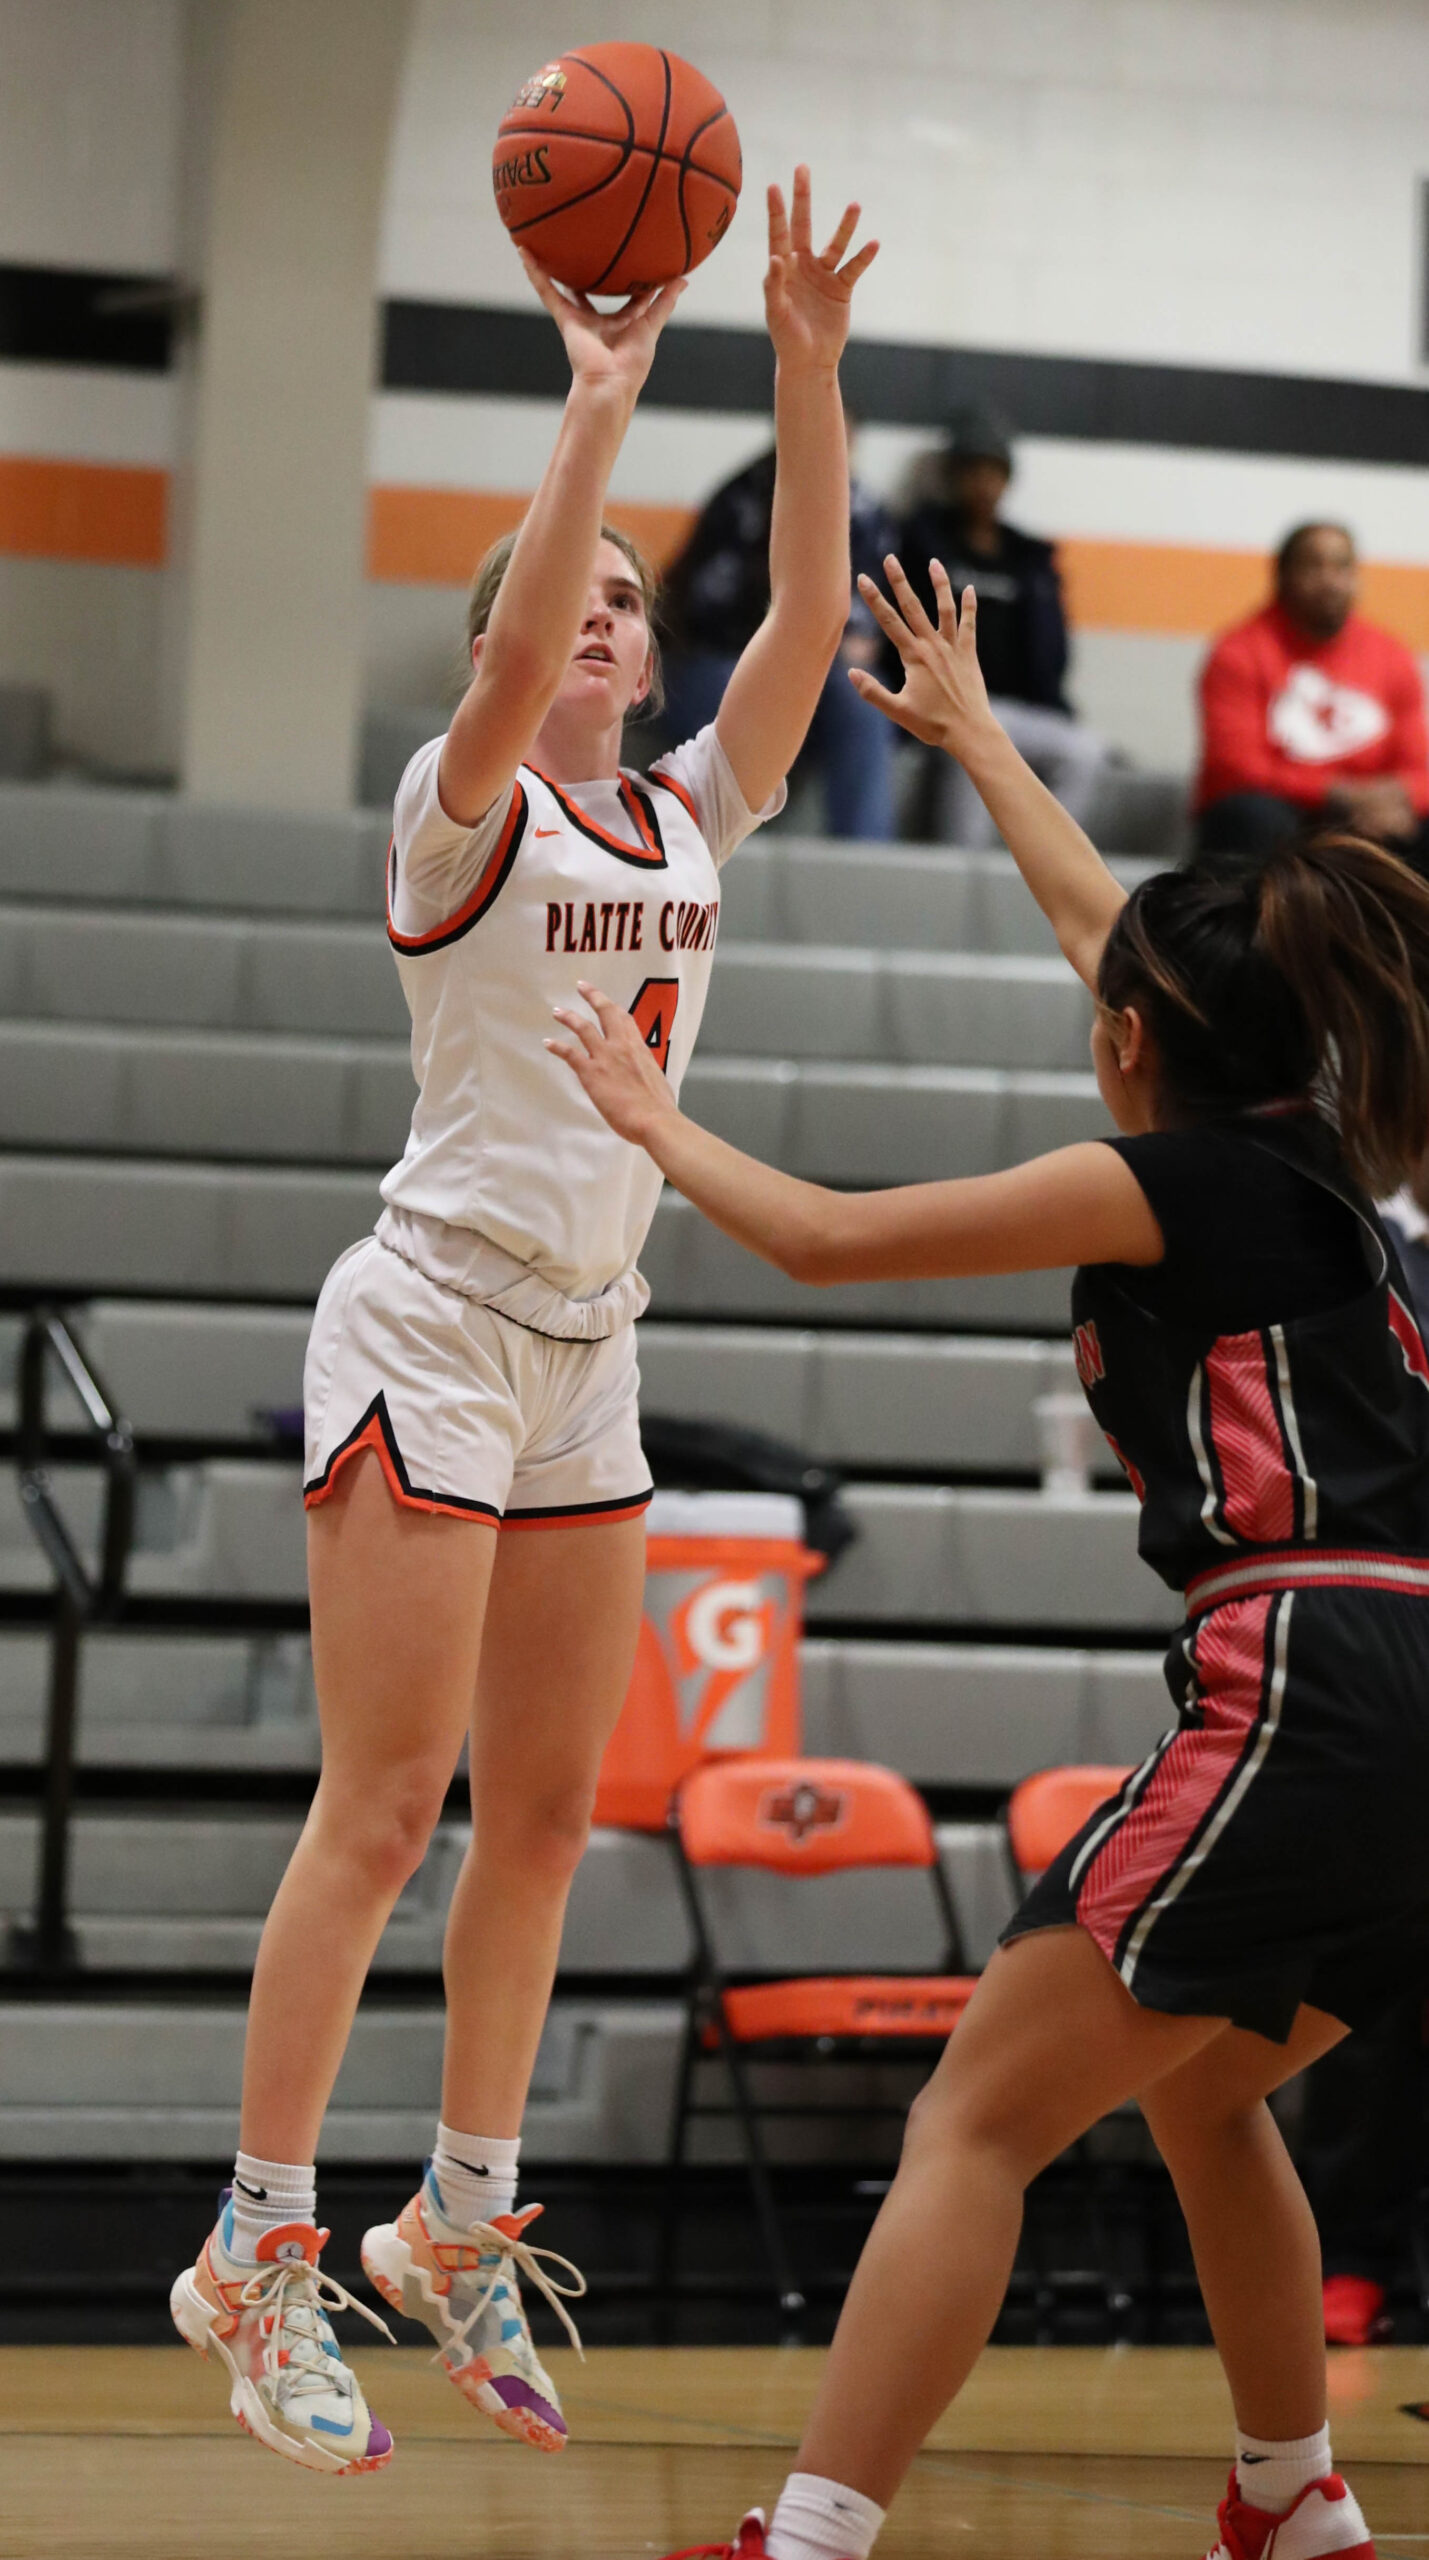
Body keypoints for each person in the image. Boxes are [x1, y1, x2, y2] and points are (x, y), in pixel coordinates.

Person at [552, 557, 1429, 2560]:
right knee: (1204, 2089)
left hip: (1308, 1674)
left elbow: (827, 1239)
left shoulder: (1160, 1180)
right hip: (1412, 1693)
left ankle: (810, 2533)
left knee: (975, 2111)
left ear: (1129, 1044)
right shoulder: (1309, 1164)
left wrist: (647, 1116)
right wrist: (969, 737)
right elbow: (1111, 940)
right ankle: (1290, 2500)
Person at [166, 167, 877, 2476]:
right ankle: (255, 2243)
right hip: (430, 1325)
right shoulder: (456, 807)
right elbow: (502, 659)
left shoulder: (686, 815)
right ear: (509, 645)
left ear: (646, 663)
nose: (596, 617)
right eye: (559, 598)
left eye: (625, 602)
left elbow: (801, 620)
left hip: (590, 1343)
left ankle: (453, 2218)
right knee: (385, 1800)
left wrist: (802, 367)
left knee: (550, 1811)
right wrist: (597, 397)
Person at [661, 430, 898, 840]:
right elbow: (706, 598)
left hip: (821, 659)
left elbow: (872, 594)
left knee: (864, 701)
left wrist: (858, 634)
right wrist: (770, 647)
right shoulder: (741, 497)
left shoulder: (861, 507)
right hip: (730, 651)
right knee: (725, 690)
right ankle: (699, 846)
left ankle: (864, 854)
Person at [897, 404, 1105, 846]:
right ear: (952, 476)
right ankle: (963, 866)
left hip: (1024, 708)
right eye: (972, 470)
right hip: (953, 705)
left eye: (993, 471)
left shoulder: (1030, 557)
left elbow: (1053, 652)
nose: (983, 484)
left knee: (1085, 753)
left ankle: (1046, 864)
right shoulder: (922, 541)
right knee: (978, 739)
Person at [1195, 522, 1429, 865]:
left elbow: (1419, 767)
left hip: (1369, 815)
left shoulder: (1391, 655)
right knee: (1251, 817)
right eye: (1314, 566)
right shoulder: (1238, 652)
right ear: (1282, 576)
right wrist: (1334, 795)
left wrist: (1396, 797)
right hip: (1281, 812)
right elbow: (1237, 765)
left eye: (1342, 566)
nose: (1330, 581)